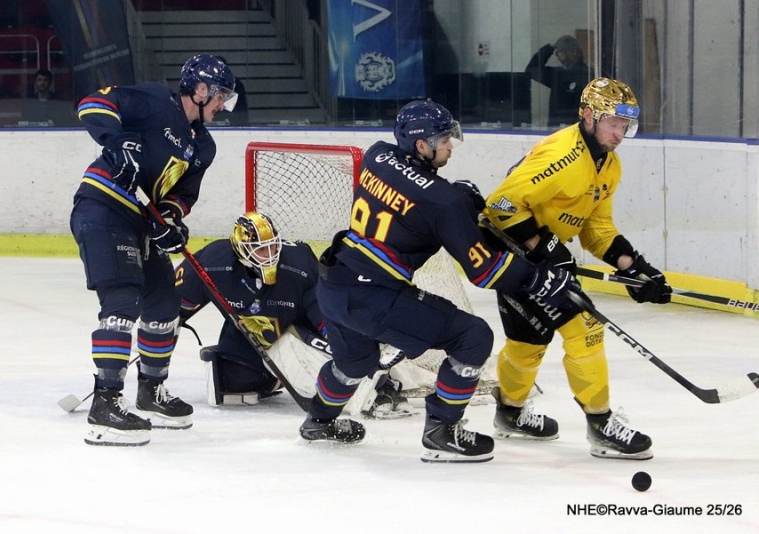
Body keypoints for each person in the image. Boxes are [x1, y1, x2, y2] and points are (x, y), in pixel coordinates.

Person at [300, 99, 580, 463]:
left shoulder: (377, 156)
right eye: (444, 138)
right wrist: (537, 278)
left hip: (333, 286)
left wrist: (457, 202)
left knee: (354, 361)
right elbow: (485, 271)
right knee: (472, 336)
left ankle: (318, 421)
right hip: (373, 296)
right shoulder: (444, 203)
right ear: (421, 145)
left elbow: (410, 195)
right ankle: (442, 430)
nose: (451, 145)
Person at [482, 77, 672, 460]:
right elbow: (499, 207)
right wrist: (547, 247)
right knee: (582, 327)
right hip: (515, 253)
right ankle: (601, 425)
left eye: (624, 126)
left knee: (528, 342)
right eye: (612, 124)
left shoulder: (608, 164)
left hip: (538, 256)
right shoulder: (562, 156)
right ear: (588, 116)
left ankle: (510, 413)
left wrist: (635, 267)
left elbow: (596, 229)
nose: (619, 134)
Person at [70, 54, 239, 447]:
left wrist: (170, 221)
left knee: (164, 305)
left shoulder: (204, 145)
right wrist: (118, 141)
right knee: (122, 300)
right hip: (104, 207)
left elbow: (183, 195)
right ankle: (106, 404)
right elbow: (92, 104)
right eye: (220, 97)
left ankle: (151, 392)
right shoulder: (152, 100)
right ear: (200, 90)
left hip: (142, 223)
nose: (222, 106)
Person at [175, 211, 409, 417]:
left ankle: (379, 382)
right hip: (251, 337)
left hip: (296, 329)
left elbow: (324, 312)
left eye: (273, 246)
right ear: (240, 250)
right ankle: (273, 376)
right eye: (259, 249)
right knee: (229, 383)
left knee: (336, 358)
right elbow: (174, 307)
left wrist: (345, 345)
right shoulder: (211, 263)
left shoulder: (298, 264)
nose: (269, 254)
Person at [526, 35, 591, 127]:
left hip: (578, 129)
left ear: (575, 53)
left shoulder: (588, 75)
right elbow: (531, 70)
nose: (561, 56)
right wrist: (551, 47)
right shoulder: (556, 75)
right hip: (556, 127)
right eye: (559, 53)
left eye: (562, 52)